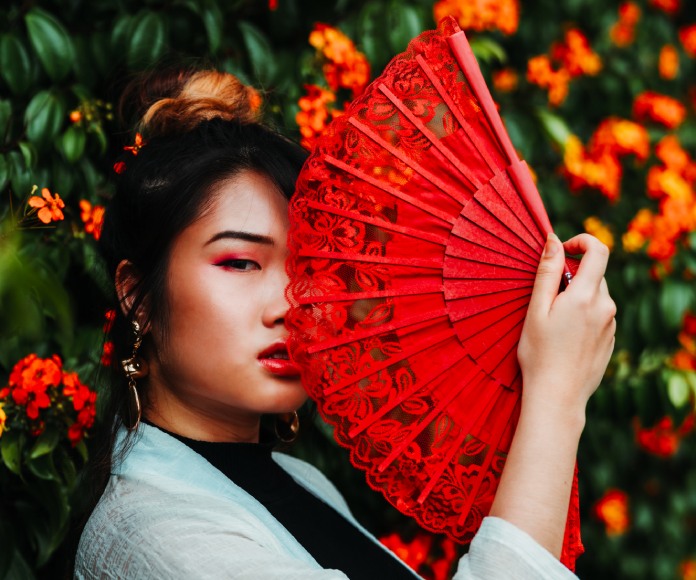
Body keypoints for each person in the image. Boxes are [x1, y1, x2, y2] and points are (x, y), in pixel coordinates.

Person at [73, 68, 616, 579]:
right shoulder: (154, 536)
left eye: (308, 267)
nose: (292, 304)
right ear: (136, 297)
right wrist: (556, 395)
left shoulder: (304, 485)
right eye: (240, 262)